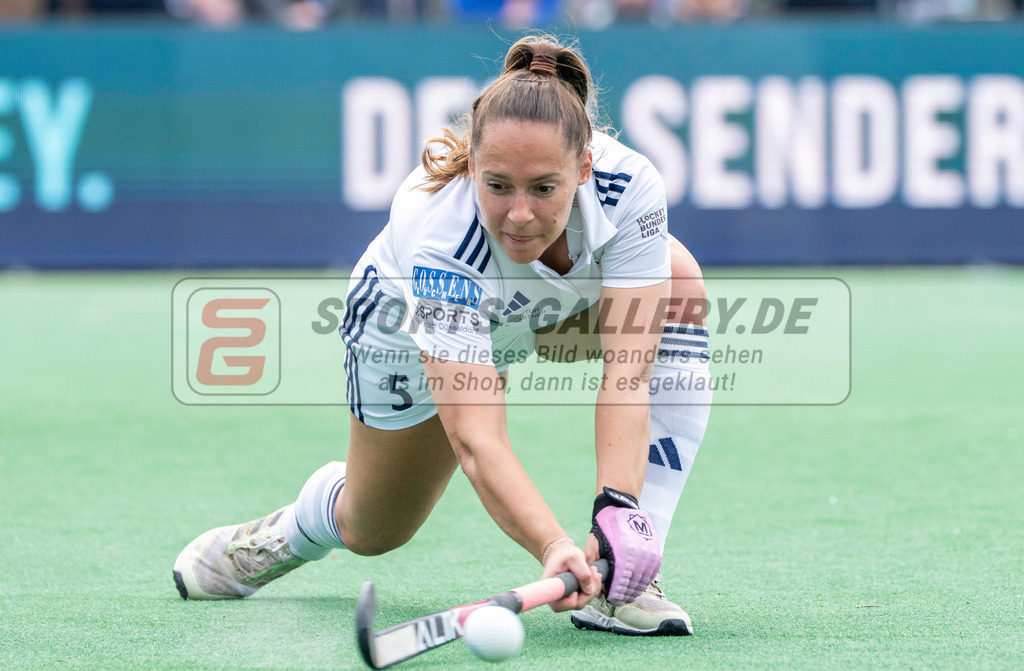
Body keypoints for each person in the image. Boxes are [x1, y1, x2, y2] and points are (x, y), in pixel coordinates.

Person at [173, 34, 713, 637]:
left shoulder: (631, 186)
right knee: (374, 529)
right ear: (472, 165)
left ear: (584, 167)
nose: (519, 215)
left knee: (680, 286)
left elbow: (627, 373)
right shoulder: (439, 236)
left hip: (537, 311)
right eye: (497, 185)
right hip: (401, 329)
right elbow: (478, 439)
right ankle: (291, 531)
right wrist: (552, 544)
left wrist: (616, 511)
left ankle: (629, 575)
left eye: (544, 188)